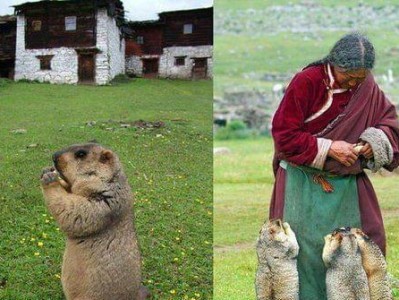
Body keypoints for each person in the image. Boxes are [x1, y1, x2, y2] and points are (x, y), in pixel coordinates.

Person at [269, 32, 399, 299]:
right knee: (305, 253)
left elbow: (390, 122)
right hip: (302, 183)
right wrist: (330, 147)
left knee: (365, 243)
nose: (352, 82)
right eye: (347, 75)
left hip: (348, 185)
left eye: (359, 77)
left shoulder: (366, 85)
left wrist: (372, 142)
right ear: (333, 63)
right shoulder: (307, 81)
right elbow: (284, 135)